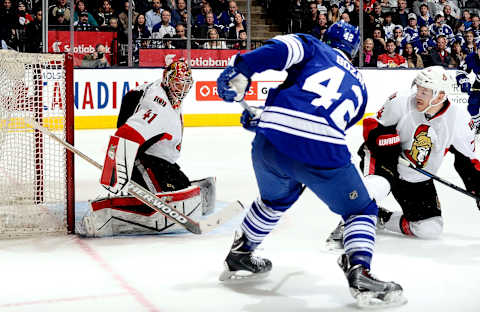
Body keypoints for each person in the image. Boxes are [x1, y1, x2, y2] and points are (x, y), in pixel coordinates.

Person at [215, 21, 406, 308]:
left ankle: (241, 253)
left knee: (275, 200)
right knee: (361, 209)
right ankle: (360, 271)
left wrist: (242, 69)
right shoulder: (361, 87)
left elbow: (277, 51)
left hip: (269, 145)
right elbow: (324, 119)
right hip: (320, 150)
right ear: (354, 52)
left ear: (325, 37)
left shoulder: (312, 45)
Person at [327, 66, 480, 243]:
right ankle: (349, 224)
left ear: (440, 95)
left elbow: (468, 161)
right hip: (383, 158)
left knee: (430, 228)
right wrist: (389, 145)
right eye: (419, 89)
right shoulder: (401, 100)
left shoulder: (458, 119)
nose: (418, 95)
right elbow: (372, 128)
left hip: (415, 174)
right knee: (379, 184)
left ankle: (380, 218)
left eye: (425, 91)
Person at [86, 60, 215, 237]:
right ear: (168, 80)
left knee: (182, 186)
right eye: (178, 84)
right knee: (166, 195)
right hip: (143, 159)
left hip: (158, 157)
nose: (182, 90)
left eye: (186, 85)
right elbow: (124, 135)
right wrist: (113, 174)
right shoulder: (158, 109)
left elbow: (134, 95)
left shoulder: (164, 90)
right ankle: (105, 215)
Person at [456, 42, 480, 136]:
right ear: (477, 50)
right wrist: (463, 80)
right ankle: (478, 125)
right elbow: (461, 70)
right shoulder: (472, 57)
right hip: (478, 84)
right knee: (472, 106)